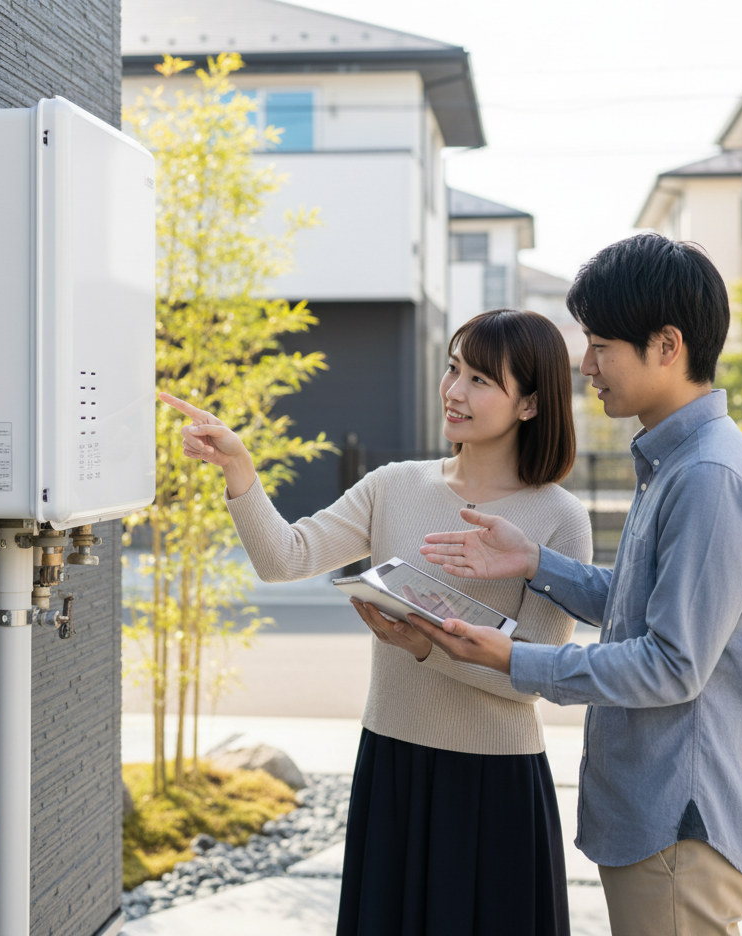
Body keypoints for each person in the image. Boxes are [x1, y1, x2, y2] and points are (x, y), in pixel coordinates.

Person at [161, 308, 592, 936]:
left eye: (480, 379)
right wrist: (239, 470)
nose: (453, 390)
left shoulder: (560, 518)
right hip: (392, 759)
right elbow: (286, 557)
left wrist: (427, 646)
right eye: (452, 369)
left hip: (493, 781)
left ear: (530, 403)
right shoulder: (394, 486)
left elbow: (533, 676)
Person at [415, 236, 742, 936]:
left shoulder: (709, 477)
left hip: (682, 823)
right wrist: (535, 563)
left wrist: (512, 659)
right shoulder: (678, 460)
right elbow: (646, 607)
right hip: (664, 816)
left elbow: (672, 664)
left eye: (600, 345)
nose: (585, 367)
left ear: (667, 345)